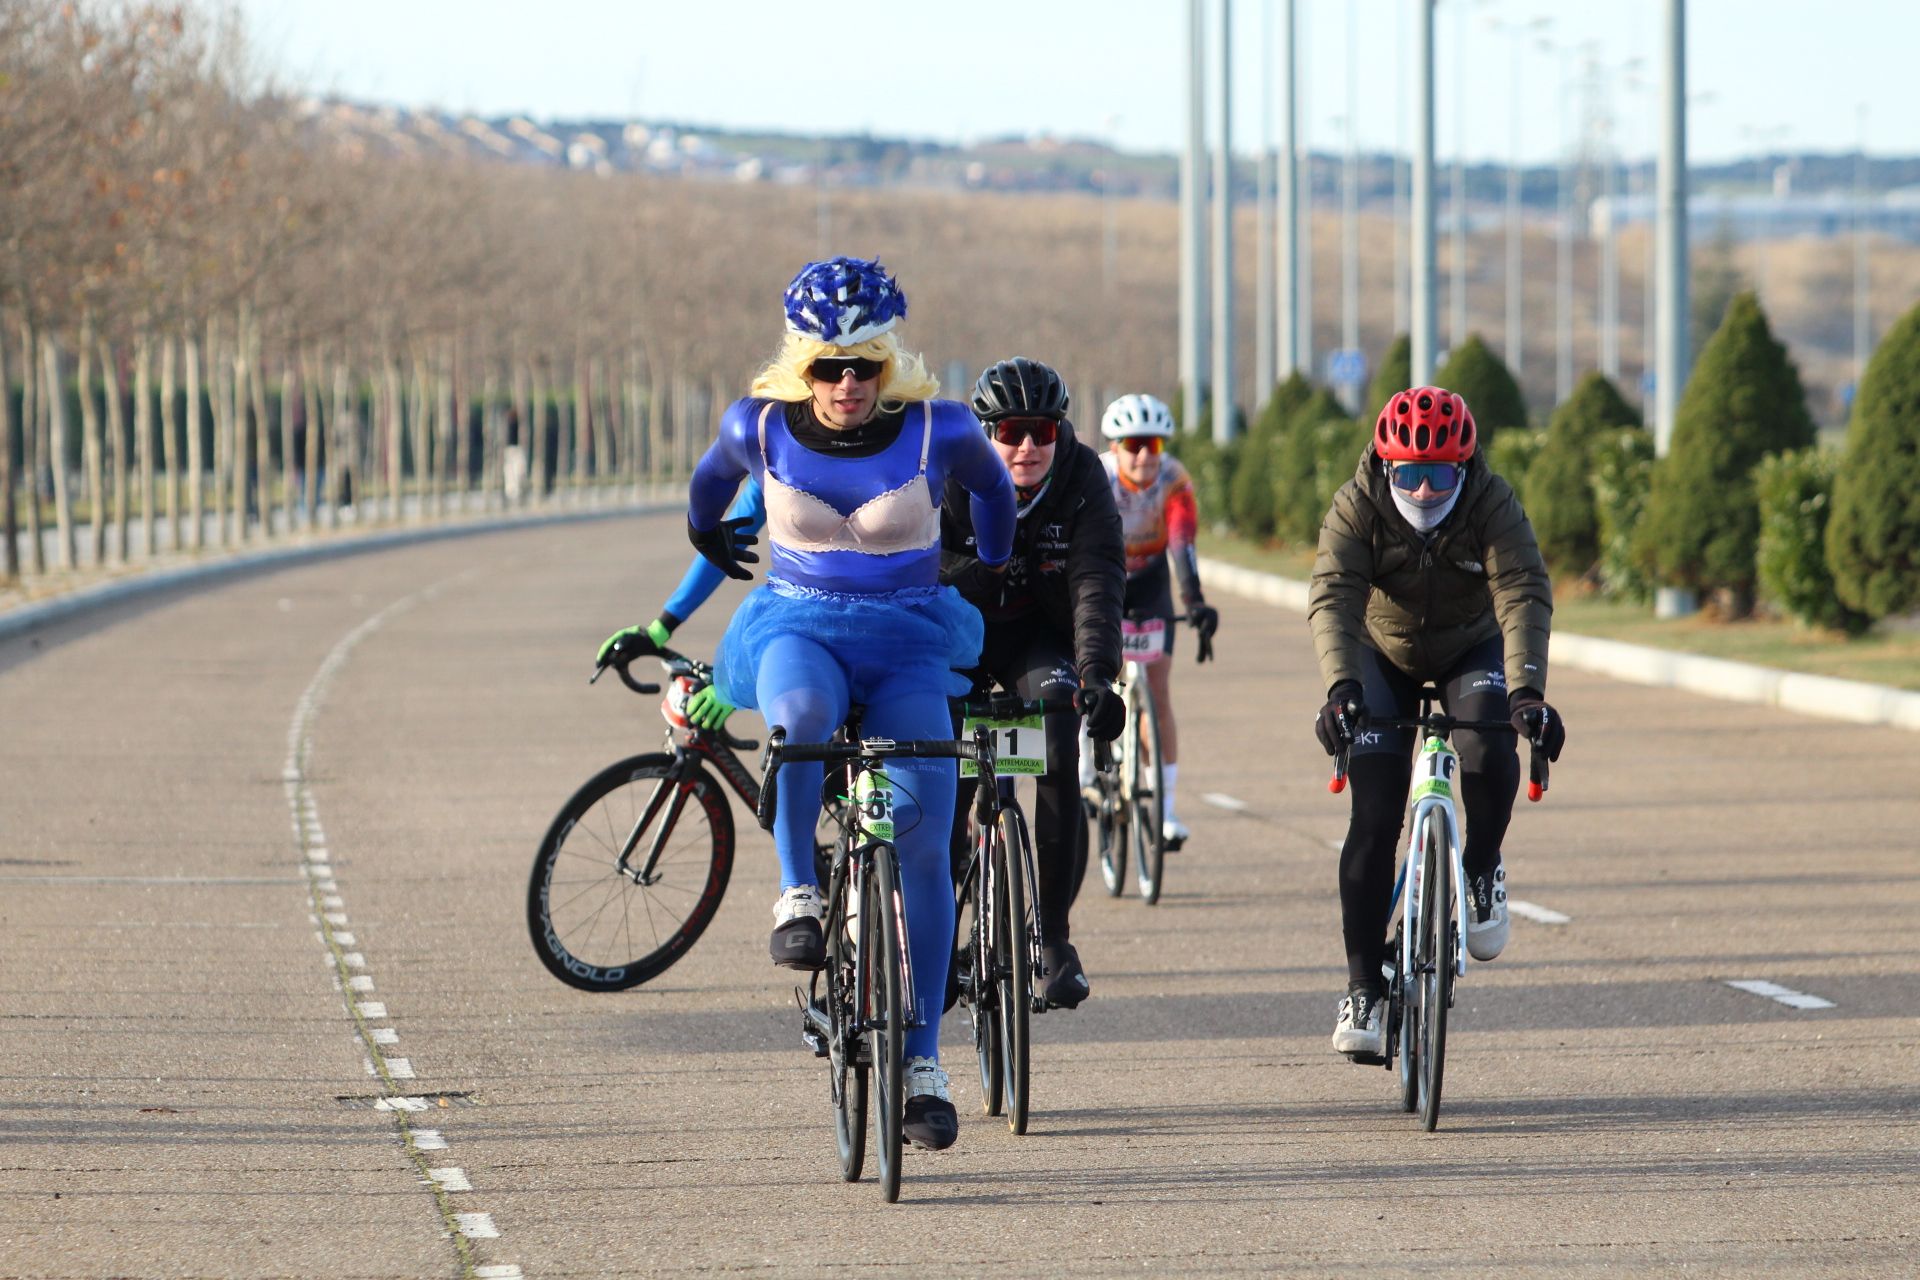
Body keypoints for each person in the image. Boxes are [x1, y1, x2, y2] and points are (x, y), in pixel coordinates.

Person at [683, 256, 1016, 1151]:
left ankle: (921, 1064)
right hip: (802, 628)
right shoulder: (756, 427)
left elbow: (993, 488)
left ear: (886, 363)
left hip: (909, 637)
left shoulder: (937, 431)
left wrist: (987, 559)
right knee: (798, 727)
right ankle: (797, 892)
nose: (844, 385)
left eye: (862, 366)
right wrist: (705, 534)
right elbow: (711, 481)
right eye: (826, 367)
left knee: (921, 834)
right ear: (801, 364)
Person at [1307, 385, 1565, 1059]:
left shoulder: (1491, 500)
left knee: (1489, 750)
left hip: (1467, 646)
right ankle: (1364, 987)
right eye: (1411, 475)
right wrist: (1340, 689)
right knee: (1373, 814)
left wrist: (1529, 693)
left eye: (1441, 474)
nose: (1424, 492)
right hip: (1379, 650)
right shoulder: (1357, 501)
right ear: (1386, 467)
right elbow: (1334, 593)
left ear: (1466, 465)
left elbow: (1522, 590)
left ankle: (1479, 867)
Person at [941, 357, 1126, 1010]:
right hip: (959, 637)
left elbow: (1096, 582)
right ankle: (943, 934)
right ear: (986, 433)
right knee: (944, 772)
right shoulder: (948, 472)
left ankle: (1052, 937)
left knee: (1056, 730)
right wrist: (977, 573)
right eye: (1012, 432)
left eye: (1043, 431)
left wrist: (1100, 675)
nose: (1027, 447)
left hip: (1038, 637)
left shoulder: (1082, 479)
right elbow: (918, 563)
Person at [1095, 393, 1221, 849]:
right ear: (1115, 447)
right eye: (1134, 444)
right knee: (1088, 675)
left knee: (1158, 690)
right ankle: (1086, 769)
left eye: (1154, 444)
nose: (1145, 454)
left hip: (1148, 583)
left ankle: (1165, 814)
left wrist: (1196, 600)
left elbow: (1182, 546)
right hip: (1102, 579)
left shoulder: (1173, 479)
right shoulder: (1098, 478)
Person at [596, 480, 766, 731]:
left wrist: (743, 678)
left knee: (800, 734)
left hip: (824, 629)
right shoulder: (775, 450)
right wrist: (660, 629)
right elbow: (725, 546)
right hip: (801, 622)